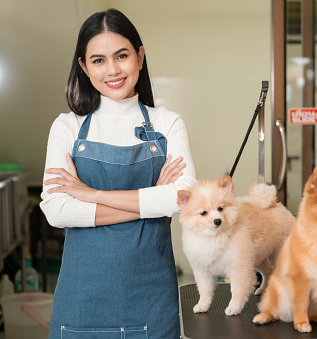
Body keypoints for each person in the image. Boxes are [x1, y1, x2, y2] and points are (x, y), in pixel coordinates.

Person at [40, 8, 196, 338]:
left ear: (139, 57)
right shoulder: (67, 127)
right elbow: (57, 210)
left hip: (150, 301)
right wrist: (150, 201)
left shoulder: (168, 123)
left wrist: (92, 194)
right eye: (98, 60)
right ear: (83, 66)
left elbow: (182, 199)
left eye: (121, 55)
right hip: (82, 302)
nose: (112, 70)